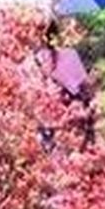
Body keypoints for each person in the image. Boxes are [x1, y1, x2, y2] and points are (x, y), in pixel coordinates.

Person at [31, 20, 96, 152]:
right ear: (56, 34)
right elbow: (84, 84)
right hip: (73, 111)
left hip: (45, 115)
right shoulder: (70, 54)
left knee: (49, 154)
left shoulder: (33, 60)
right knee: (74, 152)